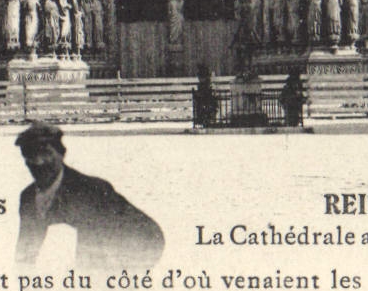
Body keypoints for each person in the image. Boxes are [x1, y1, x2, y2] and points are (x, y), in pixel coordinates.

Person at [15, 123, 164, 270]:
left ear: (61, 153)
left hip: (132, 251)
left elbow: (89, 253)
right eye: (31, 155)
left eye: (46, 153)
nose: (39, 161)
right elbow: (25, 250)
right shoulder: (28, 198)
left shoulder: (91, 190)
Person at [192, 64, 219, 128]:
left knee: (206, 108)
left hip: (207, 101)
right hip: (203, 101)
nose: (199, 79)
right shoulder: (202, 84)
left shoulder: (207, 84)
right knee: (201, 108)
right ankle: (203, 120)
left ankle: (207, 120)